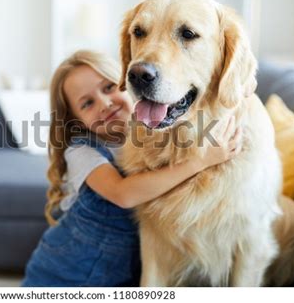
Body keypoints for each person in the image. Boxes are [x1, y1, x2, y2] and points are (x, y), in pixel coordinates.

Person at [21, 50, 242, 286]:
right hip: (66, 274)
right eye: (87, 103)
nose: (105, 103)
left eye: (108, 87)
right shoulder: (81, 151)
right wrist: (201, 161)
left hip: (122, 276)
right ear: (76, 121)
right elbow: (123, 194)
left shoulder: (155, 127)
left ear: (127, 82)